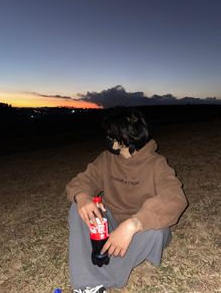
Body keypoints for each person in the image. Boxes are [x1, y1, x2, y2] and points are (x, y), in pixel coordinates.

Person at [66, 107, 188, 293]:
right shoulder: (106, 159)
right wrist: (82, 196)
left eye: (111, 134)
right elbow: (82, 181)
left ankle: (103, 278)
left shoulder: (156, 163)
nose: (107, 138)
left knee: (156, 232)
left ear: (124, 137)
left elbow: (175, 199)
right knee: (77, 208)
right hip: (112, 222)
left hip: (142, 227)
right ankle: (88, 284)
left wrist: (134, 224)